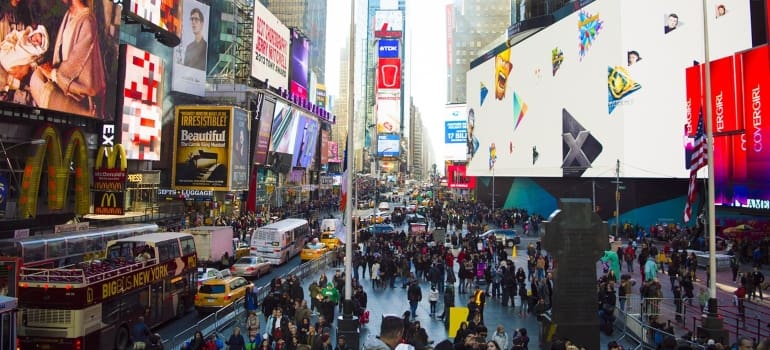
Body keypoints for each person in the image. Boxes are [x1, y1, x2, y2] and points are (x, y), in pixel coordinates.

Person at [29, 0, 107, 117]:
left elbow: (77, 64)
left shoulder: (88, 21)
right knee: (37, 75)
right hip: (63, 80)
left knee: (37, 82)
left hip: (80, 96)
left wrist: (54, 74)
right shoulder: (69, 13)